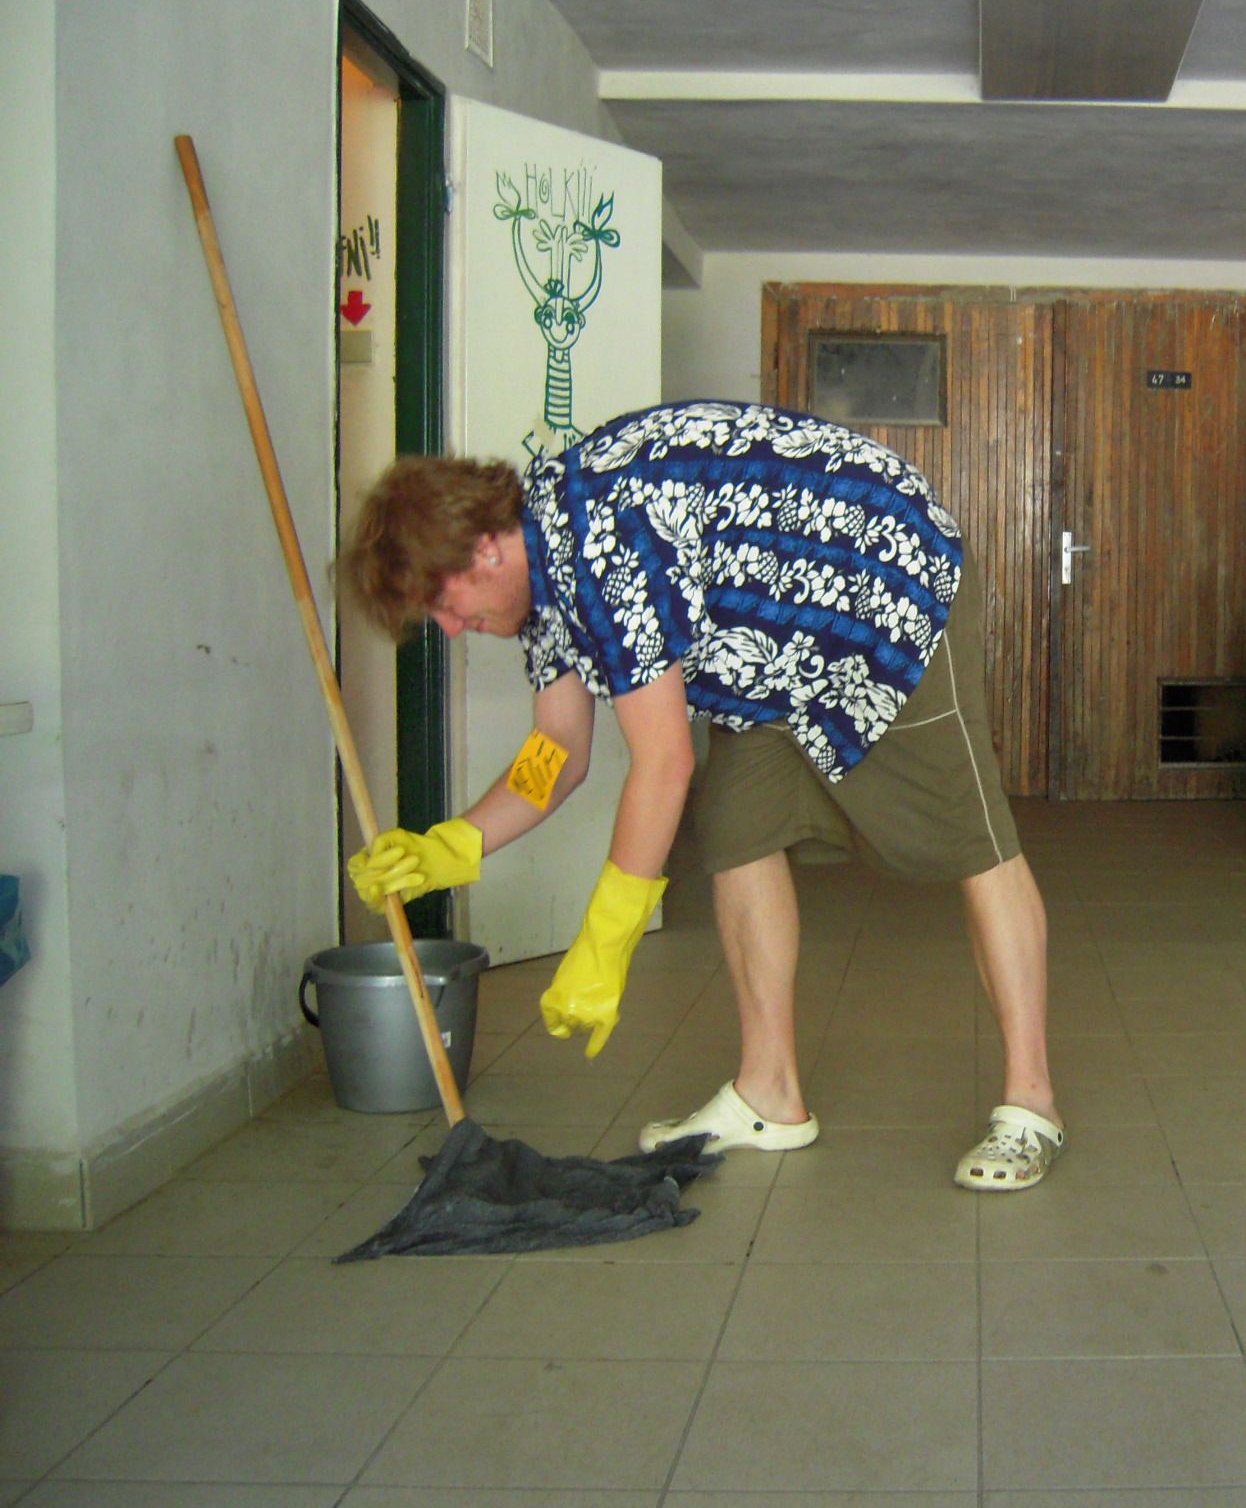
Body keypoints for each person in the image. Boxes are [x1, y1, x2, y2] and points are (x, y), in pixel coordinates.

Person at [344, 401, 1063, 1190]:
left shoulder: (602, 535)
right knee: (737, 831)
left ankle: (1030, 1105)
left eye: (444, 603)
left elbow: (664, 764)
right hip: (767, 647)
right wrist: (453, 845)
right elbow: (558, 748)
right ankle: (770, 1093)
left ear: (484, 547)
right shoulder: (544, 578)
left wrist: (606, 938)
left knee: (973, 840)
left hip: (881, 590)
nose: (450, 629)